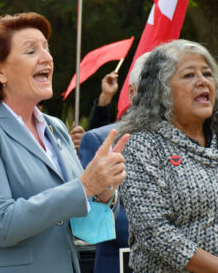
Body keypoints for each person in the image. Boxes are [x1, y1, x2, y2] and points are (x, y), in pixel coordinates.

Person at [0, 12, 130, 273]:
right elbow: (1, 224)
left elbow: (84, 225)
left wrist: (102, 194)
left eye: (46, 47)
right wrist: (85, 185)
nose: (47, 58)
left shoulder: (55, 127)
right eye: (31, 51)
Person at [117, 39, 218, 272]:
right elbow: (155, 232)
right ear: (162, 91)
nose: (202, 81)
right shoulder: (142, 146)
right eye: (189, 75)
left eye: (207, 74)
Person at [78, 52, 149, 273]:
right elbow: (92, 216)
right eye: (154, 84)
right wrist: (165, 234)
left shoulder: (195, 140)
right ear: (133, 92)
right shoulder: (99, 140)